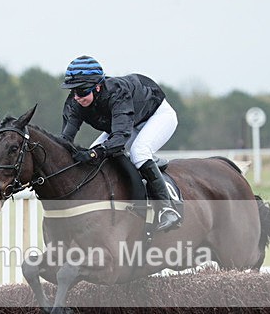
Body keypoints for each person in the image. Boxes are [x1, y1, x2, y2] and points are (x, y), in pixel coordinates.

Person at [59, 55, 181, 232]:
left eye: (82, 91)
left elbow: (119, 139)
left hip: (157, 116)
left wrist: (93, 154)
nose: (77, 97)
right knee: (96, 153)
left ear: (98, 87)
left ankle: (168, 208)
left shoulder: (117, 93)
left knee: (139, 151)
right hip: (129, 122)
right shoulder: (75, 102)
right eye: (73, 91)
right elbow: (65, 139)